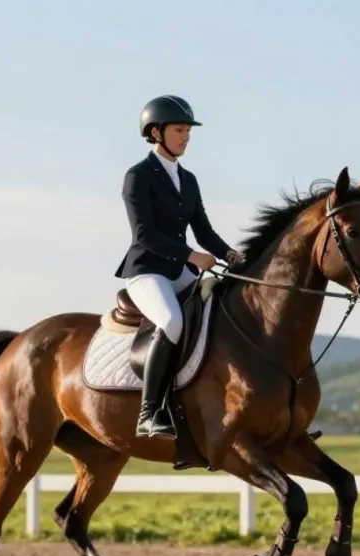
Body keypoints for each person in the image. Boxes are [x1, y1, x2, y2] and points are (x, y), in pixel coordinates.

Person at [116, 95, 245, 440]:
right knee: (172, 321)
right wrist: (192, 256)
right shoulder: (138, 176)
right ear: (155, 132)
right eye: (179, 130)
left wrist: (230, 254)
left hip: (180, 272)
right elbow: (144, 235)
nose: (186, 137)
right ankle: (149, 413)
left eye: (188, 131)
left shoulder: (188, 180)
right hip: (147, 271)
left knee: (223, 312)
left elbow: (203, 230)